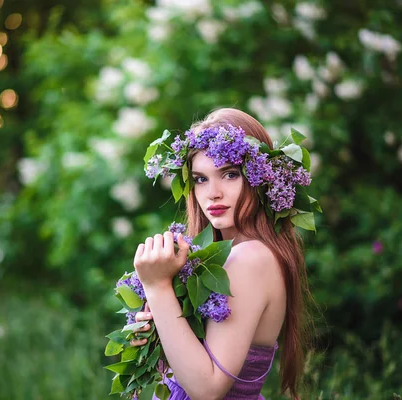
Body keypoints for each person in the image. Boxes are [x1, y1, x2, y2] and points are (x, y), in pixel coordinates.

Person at [131, 108, 313, 400]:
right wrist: (159, 332)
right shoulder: (224, 259)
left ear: (260, 177)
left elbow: (207, 389)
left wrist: (157, 287)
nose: (212, 193)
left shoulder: (250, 258)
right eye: (201, 179)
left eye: (229, 174)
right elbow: (188, 374)